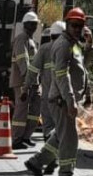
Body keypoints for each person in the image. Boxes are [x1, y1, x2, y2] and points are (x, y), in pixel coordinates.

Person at [25, 8, 88, 176]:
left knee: (61, 136)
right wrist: (70, 100)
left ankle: (36, 162)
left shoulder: (73, 44)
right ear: (67, 25)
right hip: (61, 99)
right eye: (74, 25)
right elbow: (62, 75)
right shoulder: (62, 45)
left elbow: (82, 67)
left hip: (65, 98)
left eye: (80, 25)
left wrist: (89, 45)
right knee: (69, 139)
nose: (77, 29)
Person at [25, 20, 64, 156]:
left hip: (48, 96)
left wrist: (25, 88)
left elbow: (33, 70)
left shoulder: (44, 49)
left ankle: (49, 150)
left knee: (48, 125)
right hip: (64, 97)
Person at [10, 10, 38, 149]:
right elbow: (23, 62)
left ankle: (26, 136)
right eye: (31, 24)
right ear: (25, 25)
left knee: (33, 111)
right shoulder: (21, 39)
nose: (33, 26)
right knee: (21, 111)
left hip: (33, 82)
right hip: (23, 81)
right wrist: (28, 82)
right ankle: (16, 139)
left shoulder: (31, 40)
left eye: (35, 24)